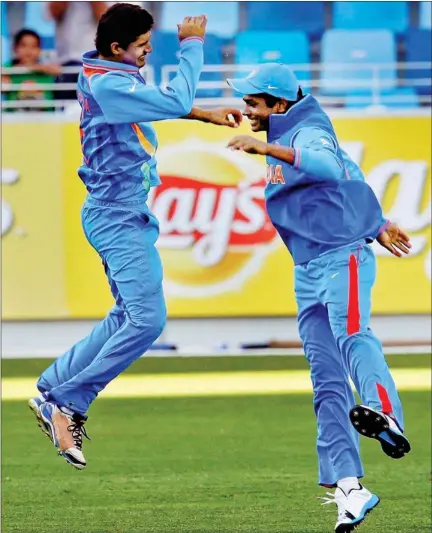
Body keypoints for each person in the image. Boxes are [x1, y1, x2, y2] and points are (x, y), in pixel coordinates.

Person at [28, 3, 242, 471]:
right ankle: (68, 404)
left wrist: (204, 115)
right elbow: (169, 99)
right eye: (143, 47)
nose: (147, 53)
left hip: (121, 212)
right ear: (116, 47)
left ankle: (51, 388)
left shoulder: (104, 70)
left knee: (127, 315)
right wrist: (191, 46)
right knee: (147, 321)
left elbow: (152, 107)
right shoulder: (109, 82)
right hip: (115, 215)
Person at [226, 63, 411, 533]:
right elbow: (349, 173)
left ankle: (387, 414)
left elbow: (327, 164)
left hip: (341, 258)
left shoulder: (306, 130)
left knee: (354, 335)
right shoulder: (296, 127)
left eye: (253, 103)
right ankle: (350, 489)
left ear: (279, 105)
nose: (248, 111)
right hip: (307, 268)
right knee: (325, 378)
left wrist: (266, 146)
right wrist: (378, 222)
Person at [48, 1, 109, 100]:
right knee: (64, 110)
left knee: (94, 110)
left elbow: (107, 21)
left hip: (93, 63)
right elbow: (53, 12)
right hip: (64, 64)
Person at [2, 28, 60, 111]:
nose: (28, 51)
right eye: (23, 46)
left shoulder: (47, 69)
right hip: (14, 120)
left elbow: (58, 70)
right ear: (15, 48)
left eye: (34, 46)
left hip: (46, 120)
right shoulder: (8, 68)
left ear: (40, 50)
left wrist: (37, 68)